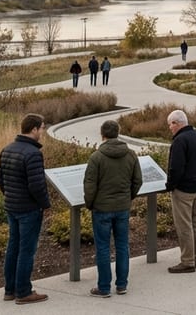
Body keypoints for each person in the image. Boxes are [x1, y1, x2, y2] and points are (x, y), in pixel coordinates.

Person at [83, 119, 142, 298]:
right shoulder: (131, 155)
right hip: (122, 207)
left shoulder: (96, 157)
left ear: (102, 135)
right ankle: (122, 285)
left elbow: (90, 185)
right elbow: (137, 181)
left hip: (102, 208)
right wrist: (128, 197)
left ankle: (104, 287)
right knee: (123, 245)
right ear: (118, 132)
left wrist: (90, 203)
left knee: (103, 248)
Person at [0, 113, 51, 304]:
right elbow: (37, 186)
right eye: (42, 128)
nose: (43, 131)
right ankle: (23, 291)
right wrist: (45, 204)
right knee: (26, 250)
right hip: (28, 209)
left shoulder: (7, 149)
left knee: (13, 247)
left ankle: (10, 289)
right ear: (34, 129)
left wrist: (11, 194)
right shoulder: (33, 153)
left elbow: (0, 180)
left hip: (12, 206)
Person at [166, 109, 196, 273]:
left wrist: (170, 185)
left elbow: (176, 168)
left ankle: (187, 261)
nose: (169, 128)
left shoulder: (179, 141)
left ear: (176, 123)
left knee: (184, 225)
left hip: (183, 190)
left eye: (170, 125)